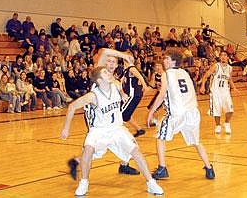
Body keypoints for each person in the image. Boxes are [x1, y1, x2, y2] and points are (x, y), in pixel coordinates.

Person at [61, 66, 164, 196]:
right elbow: (72, 106)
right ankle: (84, 182)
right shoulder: (93, 96)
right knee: (88, 150)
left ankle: (151, 182)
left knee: (136, 151)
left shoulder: (115, 85)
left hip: (117, 128)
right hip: (99, 130)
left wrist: (123, 93)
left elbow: (120, 84)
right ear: (98, 80)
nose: (109, 73)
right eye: (105, 72)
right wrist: (66, 128)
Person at [147, 48, 215, 180]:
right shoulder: (184, 72)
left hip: (177, 113)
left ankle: (162, 168)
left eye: (167, 59)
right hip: (192, 111)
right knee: (196, 141)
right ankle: (209, 168)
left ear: (174, 61)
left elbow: (161, 94)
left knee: (160, 137)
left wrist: (151, 111)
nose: (164, 61)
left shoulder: (167, 74)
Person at [200, 51, 236, 134]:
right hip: (216, 91)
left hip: (226, 91)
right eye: (221, 55)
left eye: (225, 55)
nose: (223, 57)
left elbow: (229, 79)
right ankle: (218, 126)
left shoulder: (230, 68)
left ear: (228, 57)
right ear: (219, 57)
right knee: (217, 110)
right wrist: (202, 86)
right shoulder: (216, 66)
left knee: (230, 110)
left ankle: (226, 123)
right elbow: (206, 76)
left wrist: (234, 87)